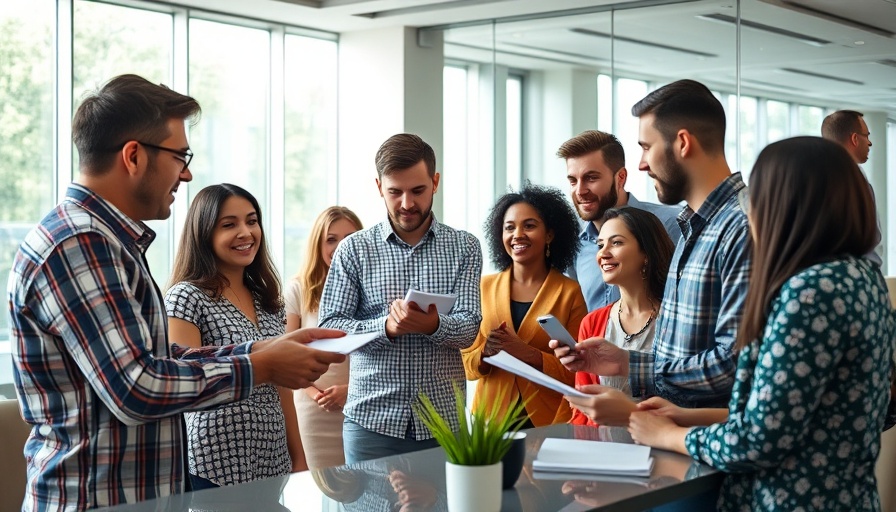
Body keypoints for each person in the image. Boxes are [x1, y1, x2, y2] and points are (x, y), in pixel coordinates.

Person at [7, 74, 345, 510]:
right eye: (179, 156)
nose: (186, 174)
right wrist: (261, 368)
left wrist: (262, 351)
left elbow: (155, 361)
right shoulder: (80, 242)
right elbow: (138, 387)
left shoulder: (108, 242)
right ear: (133, 156)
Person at [627, 136, 896, 511]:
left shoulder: (808, 293)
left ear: (786, 205)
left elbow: (759, 439)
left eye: (758, 196)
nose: (750, 208)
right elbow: (804, 412)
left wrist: (673, 435)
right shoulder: (863, 279)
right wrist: (688, 416)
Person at [553, 79, 752, 423]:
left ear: (683, 143)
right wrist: (627, 363)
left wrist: (637, 379)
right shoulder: (695, 228)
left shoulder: (741, 227)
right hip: (677, 441)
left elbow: (735, 364)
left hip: (710, 448)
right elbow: (686, 353)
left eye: (646, 147)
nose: (643, 164)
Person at [318, 133, 483, 464]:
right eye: (395, 192)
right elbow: (331, 330)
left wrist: (433, 324)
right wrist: (386, 328)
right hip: (371, 423)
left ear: (435, 182)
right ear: (379, 187)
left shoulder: (465, 247)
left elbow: (469, 328)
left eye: (418, 190)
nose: (407, 203)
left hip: (443, 425)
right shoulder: (354, 249)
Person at [164, 183, 302, 488]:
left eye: (252, 221)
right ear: (204, 234)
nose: (246, 232)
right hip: (212, 464)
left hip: (272, 459)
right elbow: (185, 385)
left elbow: (284, 390)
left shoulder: (267, 299)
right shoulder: (187, 297)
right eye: (229, 225)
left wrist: (299, 457)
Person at [461, 183, 587, 427]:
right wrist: (485, 354)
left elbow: (579, 372)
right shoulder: (482, 288)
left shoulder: (569, 293)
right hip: (490, 423)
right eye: (510, 227)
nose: (518, 234)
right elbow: (465, 367)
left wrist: (528, 354)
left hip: (548, 420)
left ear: (549, 234)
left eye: (529, 225)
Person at [569, 207, 674, 426]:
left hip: (661, 446)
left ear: (646, 253)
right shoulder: (592, 322)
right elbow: (582, 412)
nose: (603, 253)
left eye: (616, 243)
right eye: (600, 245)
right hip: (603, 451)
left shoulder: (676, 319)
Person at [558, 130, 679, 310]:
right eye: (573, 181)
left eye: (591, 178)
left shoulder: (671, 224)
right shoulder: (571, 236)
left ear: (620, 177)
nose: (580, 191)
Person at [284, 206, 363, 470]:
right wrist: (315, 393)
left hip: (361, 405)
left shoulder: (374, 291)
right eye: (331, 239)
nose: (341, 246)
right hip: (312, 409)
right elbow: (285, 356)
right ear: (318, 243)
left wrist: (350, 392)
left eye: (349, 238)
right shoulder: (297, 289)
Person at [821, 109, 883, 267]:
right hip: (857, 274)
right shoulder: (858, 186)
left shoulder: (816, 180)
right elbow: (871, 238)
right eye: (867, 136)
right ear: (855, 139)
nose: (870, 142)